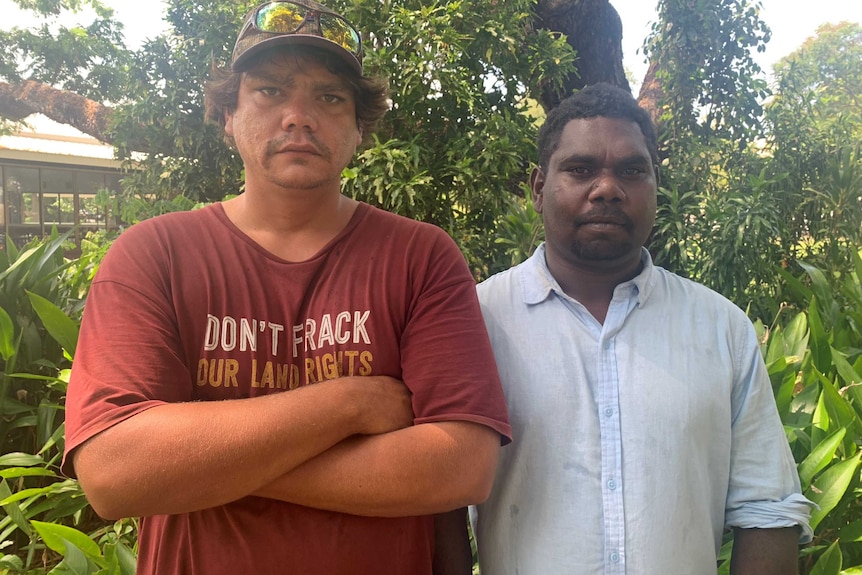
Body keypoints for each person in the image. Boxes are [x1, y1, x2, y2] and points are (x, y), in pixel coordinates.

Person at [61, 1, 511, 573]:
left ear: (358, 128)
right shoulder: (154, 256)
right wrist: (348, 403)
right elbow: (115, 473)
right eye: (270, 91)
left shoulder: (420, 257)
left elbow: (459, 466)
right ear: (228, 114)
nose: (298, 116)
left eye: (329, 97)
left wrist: (203, 468)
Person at [469, 83, 812, 574]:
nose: (608, 188)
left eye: (632, 170)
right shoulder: (476, 321)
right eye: (581, 169)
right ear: (539, 187)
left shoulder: (721, 328)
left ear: (655, 185)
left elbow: (767, 511)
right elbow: (439, 506)